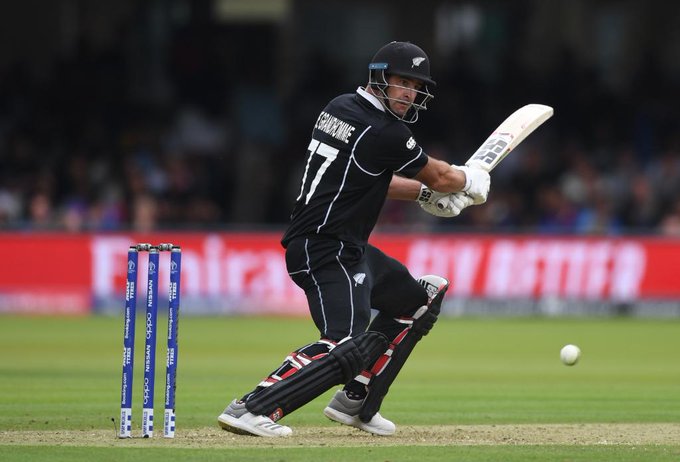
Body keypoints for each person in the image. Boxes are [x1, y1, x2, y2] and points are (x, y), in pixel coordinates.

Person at [217, 41, 490, 437]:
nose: (409, 94)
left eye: (416, 87)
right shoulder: (385, 131)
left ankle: (357, 401)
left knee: (418, 300)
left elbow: (371, 178)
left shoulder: (341, 107)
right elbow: (442, 175)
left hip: (344, 247)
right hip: (325, 249)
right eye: (402, 82)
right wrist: (470, 180)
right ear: (380, 79)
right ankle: (252, 407)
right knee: (343, 343)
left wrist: (424, 194)